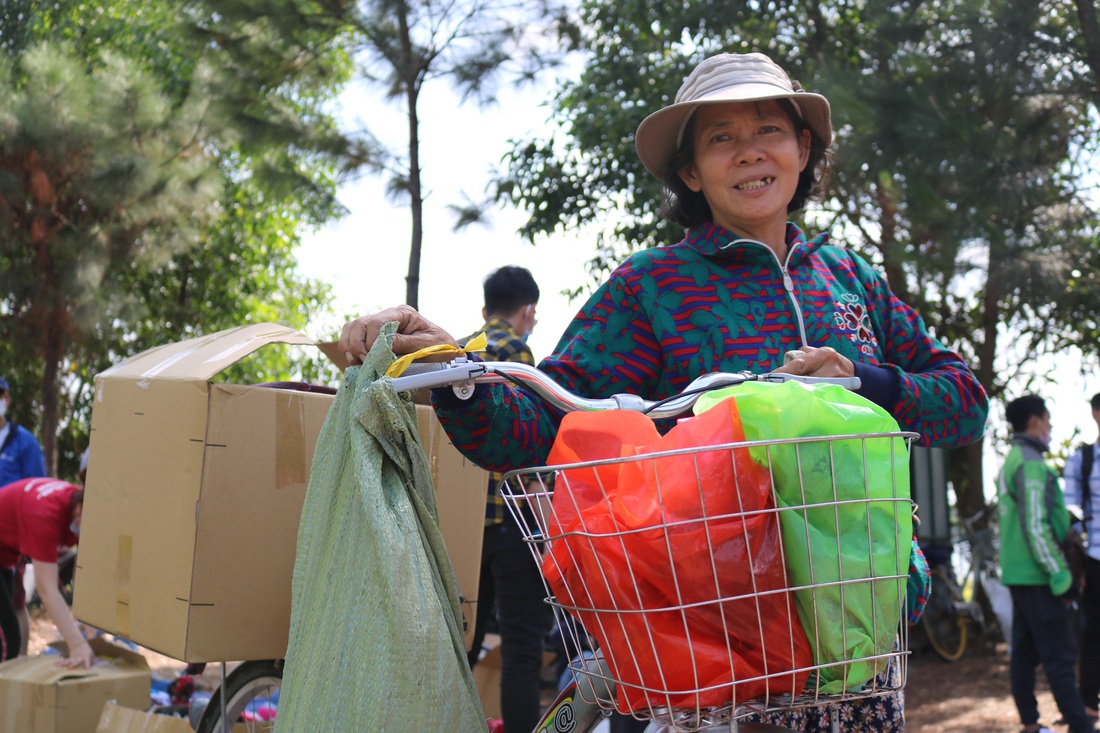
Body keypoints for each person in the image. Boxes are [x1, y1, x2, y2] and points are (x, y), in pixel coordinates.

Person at [340, 51, 989, 733]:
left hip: (856, 628)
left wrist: (865, 382)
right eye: (721, 138)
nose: (748, 153)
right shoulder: (653, 286)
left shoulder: (850, 278)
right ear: (691, 171)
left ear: (802, 148)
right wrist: (458, 369)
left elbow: (964, 401)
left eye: (769, 129)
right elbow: (542, 419)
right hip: (717, 629)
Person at [462, 265, 548, 733]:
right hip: (512, 523)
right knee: (520, 646)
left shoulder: (457, 349)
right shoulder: (516, 352)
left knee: (465, 642)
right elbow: (529, 440)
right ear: (528, 310)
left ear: (484, 310)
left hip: (465, 523)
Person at [999, 395, 1095, 733]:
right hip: (1039, 575)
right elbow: (1036, 526)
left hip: (1017, 573)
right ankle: (1081, 725)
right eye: (1048, 420)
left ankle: (1030, 722)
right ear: (1035, 421)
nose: (1051, 428)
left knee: (1024, 653)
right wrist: (1061, 575)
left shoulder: (1012, 459)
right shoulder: (1031, 465)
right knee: (1060, 652)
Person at [0, 450, 93, 668]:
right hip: (5, 551)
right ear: (79, 510)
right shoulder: (46, 513)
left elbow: (81, 574)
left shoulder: (82, 505)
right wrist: (77, 644)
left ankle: (14, 689)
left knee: (16, 620)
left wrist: (88, 627)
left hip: (6, 554)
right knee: (7, 641)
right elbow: (46, 590)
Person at [1064, 392, 1100, 723]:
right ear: (1096, 414)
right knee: (1093, 631)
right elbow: (1072, 513)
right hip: (1095, 557)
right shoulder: (1082, 460)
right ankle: (1089, 699)